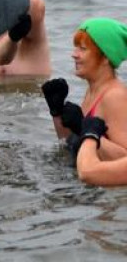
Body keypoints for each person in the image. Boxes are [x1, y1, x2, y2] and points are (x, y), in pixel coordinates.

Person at [41, 18, 127, 161]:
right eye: (76, 47)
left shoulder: (114, 96)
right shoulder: (92, 91)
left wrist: (84, 128)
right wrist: (57, 113)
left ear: (105, 57)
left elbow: (123, 159)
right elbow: (72, 145)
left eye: (83, 48)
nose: (74, 54)